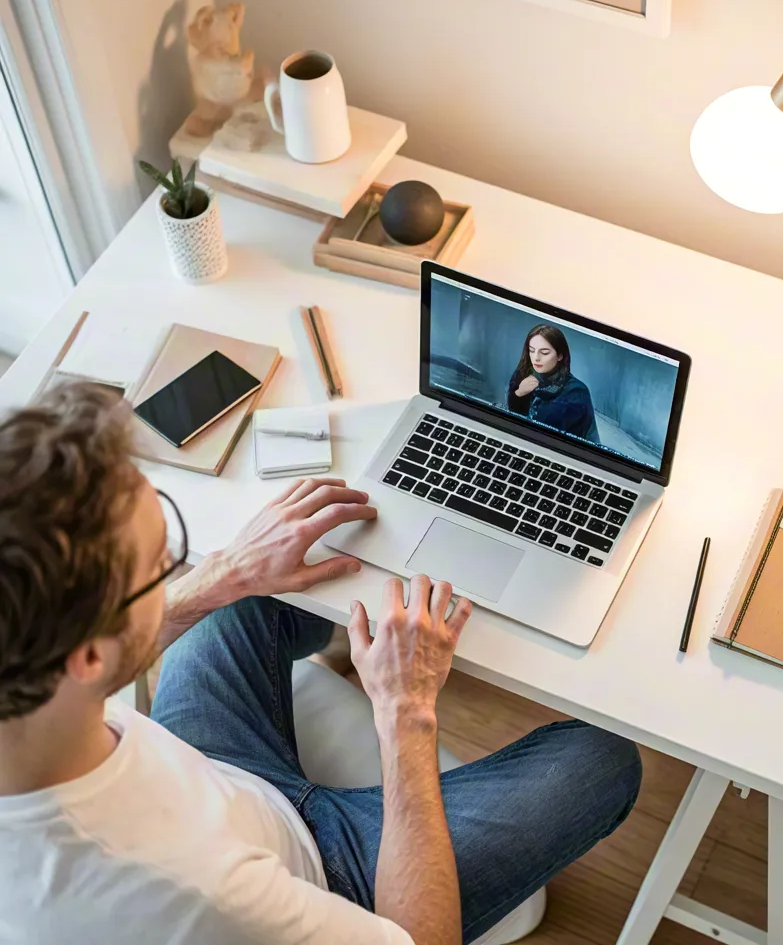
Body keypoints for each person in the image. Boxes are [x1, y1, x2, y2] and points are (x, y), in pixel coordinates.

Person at [0, 383, 641, 945]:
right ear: (88, 654)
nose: (177, 570)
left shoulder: (33, 678)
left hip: (210, 770)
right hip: (327, 875)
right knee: (603, 761)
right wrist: (405, 710)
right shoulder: (193, 891)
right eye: (160, 564)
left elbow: (86, 667)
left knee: (262, 579)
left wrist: (224, 574)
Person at [506, 324, 600, 442]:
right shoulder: (523, 374)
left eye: (544, 352)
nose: (536, 358)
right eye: (531, 351)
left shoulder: (576, 391)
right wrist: (519, 394)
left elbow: (547, 432)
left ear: (560, 355)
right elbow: (511, 417)